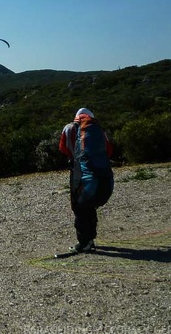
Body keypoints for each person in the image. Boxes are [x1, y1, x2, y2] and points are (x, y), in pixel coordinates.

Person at [59, 107, 114, 253]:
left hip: (78, 171)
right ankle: (90, 238)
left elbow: (63, 148)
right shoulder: (97, 129)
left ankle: (85, 242)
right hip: (99, 173)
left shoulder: (68, 128)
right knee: (89, 205)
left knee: (79, 206)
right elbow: (109, 150)